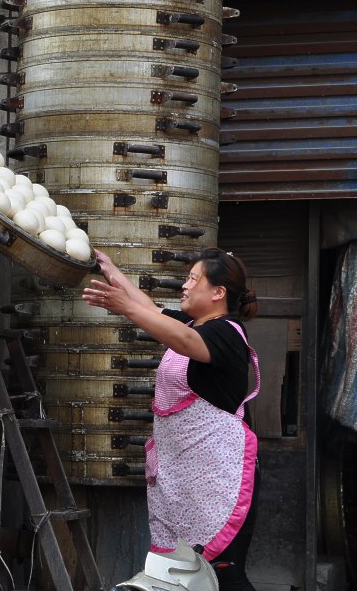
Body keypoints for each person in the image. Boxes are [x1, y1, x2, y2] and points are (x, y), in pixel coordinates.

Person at [83, 248, 260, 591]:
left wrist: (127, 308)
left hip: (219, 485)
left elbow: (183, 340)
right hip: (183, 482)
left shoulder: (226, 332)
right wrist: (111, 271)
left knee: (224, 576)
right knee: (181, 576)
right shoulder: (194, 324)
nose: (184, 285)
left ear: (218, 292)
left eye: (193, 279)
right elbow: (151, 310)